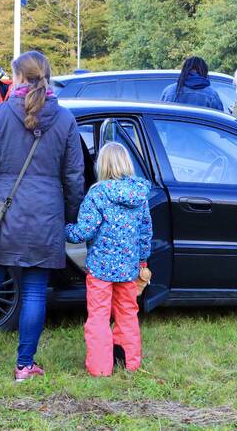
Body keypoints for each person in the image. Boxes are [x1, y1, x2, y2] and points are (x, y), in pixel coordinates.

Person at [0, 50, 84, 382]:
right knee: (35, 292)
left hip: (3, 212)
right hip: (46, 216)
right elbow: (73, 177)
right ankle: (25, 365)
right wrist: (70, 217)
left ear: (20, 78)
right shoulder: (66, 119)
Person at [65, 142, 153, 377]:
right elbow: (145, 232)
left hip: (100, 270)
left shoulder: (98, 193)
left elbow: (84, 231)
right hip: (128, 269)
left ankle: (101, 367)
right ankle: (130, 362)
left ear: (102, 165)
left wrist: (63, 229)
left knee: (99, 318)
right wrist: (142, 262)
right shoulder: (139, 194)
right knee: (127, 314)